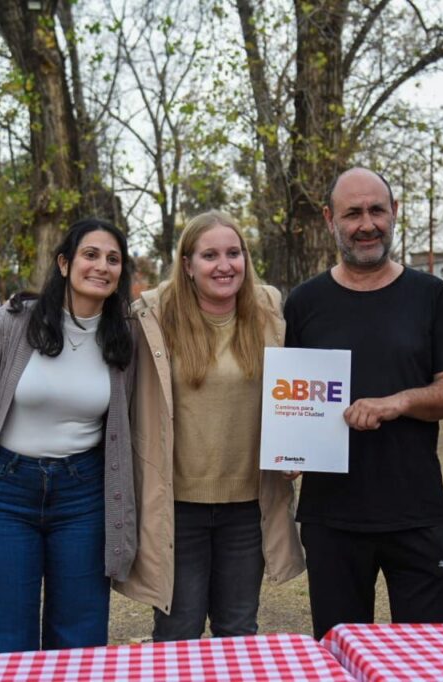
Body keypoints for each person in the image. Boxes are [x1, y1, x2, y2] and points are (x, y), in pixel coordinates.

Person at [283, 167, 443, 639]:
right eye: (352, 213)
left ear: (394, 213)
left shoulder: (431, 295)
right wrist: (288, 450)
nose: (367, 224)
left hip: (417, 512)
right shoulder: (303, 302)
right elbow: (291, 396)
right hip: (332, 519)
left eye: (376, 211)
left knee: (423, 660)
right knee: (339, 657)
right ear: (330, 219)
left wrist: (398, 402)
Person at [116, 209, 304, 641]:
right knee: (178, 631)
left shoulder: (269, 311)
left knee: (237, 630)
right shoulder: (151, 317)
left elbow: (294, 393)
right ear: (187, 264)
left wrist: (298, 446)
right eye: (210, 255)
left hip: (248, 505)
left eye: (234, 253)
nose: (224, 265)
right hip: (177, 506)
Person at [0, 218, 137, 654]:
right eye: (90, 255)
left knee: (79, 634)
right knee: (6, 633)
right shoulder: (10, 323)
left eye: (113, 259)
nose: (101, 267)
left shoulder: (126, 336)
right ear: (64, 263)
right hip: (5, 492)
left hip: (83, 495)